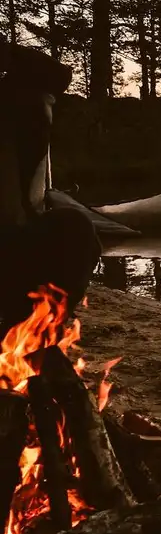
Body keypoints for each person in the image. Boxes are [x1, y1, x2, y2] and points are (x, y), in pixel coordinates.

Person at [0, 43, 100, 336]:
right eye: (48, 102)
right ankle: (30, 336)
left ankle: (26, 332)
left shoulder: (24, 138)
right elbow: (11, 215)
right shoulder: (12, 134)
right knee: (78, 232)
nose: (51, 109)